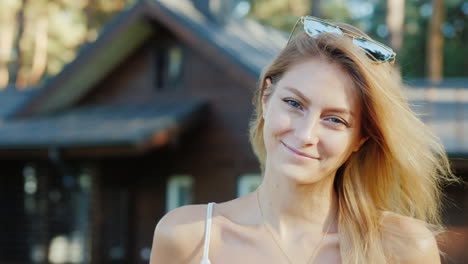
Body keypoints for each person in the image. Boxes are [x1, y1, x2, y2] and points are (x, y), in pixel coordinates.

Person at [149, 16, 457, 264]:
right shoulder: (187, 237)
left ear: (360, 139)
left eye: (335, 120)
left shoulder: (403, 248)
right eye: (294, 104)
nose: (306, 134)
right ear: (266, 97)